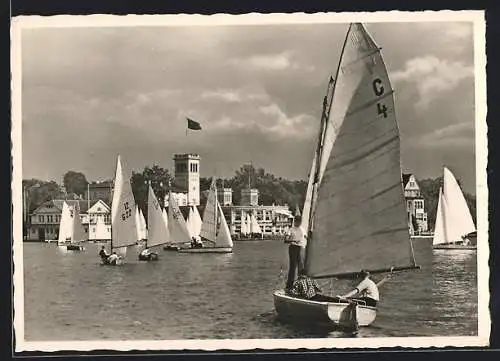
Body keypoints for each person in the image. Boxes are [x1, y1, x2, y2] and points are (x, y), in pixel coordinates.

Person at [284, 215, 307, 291]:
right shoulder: (291, 230)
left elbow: (306, 237)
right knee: (293, 267)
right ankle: (289, 286)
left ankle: (301, 286)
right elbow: (285, 240)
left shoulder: (302, 229)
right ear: (295, 221)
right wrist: (293, 241)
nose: (298, 223)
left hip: (300, 248)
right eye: (297, 221)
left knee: (301, 267)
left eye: (299, 221)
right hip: (293, 248)